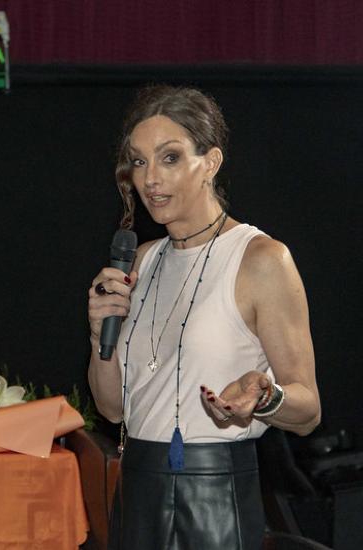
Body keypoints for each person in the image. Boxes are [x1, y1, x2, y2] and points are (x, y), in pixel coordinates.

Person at [87, 85, 320, 549]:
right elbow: (113, 409)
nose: (150, 177)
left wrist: (265, 395)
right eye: (138, 161)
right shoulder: (140, 261)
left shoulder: (260, 258)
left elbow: (308, 411)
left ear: (210, 162)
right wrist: (99, 336)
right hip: (136, 489)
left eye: (169, 158)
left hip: (214, 497)